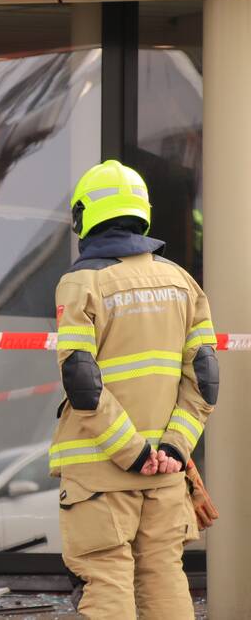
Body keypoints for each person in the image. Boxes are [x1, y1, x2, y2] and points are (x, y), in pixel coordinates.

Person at [52, 160, 218, 619]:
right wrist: (173, 447)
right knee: (164, 578)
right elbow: (204, 380)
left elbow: (82, 382)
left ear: (85, 216)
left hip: (101, 473)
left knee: (105, 583)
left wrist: (133, 452)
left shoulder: (82, 283)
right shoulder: (182, 281)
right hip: (167, 474)